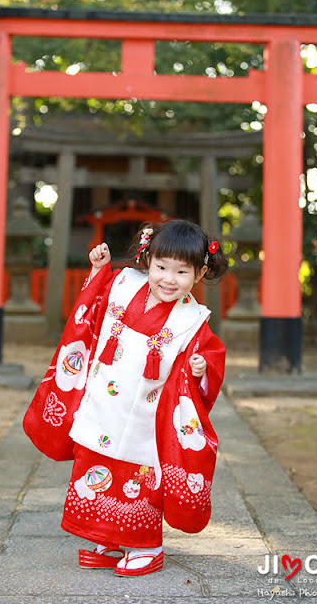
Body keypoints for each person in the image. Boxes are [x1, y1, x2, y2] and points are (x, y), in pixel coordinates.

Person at [24, 219, 227, 577]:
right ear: (146, 259)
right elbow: (93, 306)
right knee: (95, 465)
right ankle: (108, 539)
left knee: (138, 476)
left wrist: (199, 369)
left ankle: (149, 547)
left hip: (144, 420)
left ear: (199, 274)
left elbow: (209, 357)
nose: (168, 278)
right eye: (161, 267)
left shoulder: (193, 319)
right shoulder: (122, 284)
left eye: (181, 271)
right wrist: (100, 269)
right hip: (104, 403)